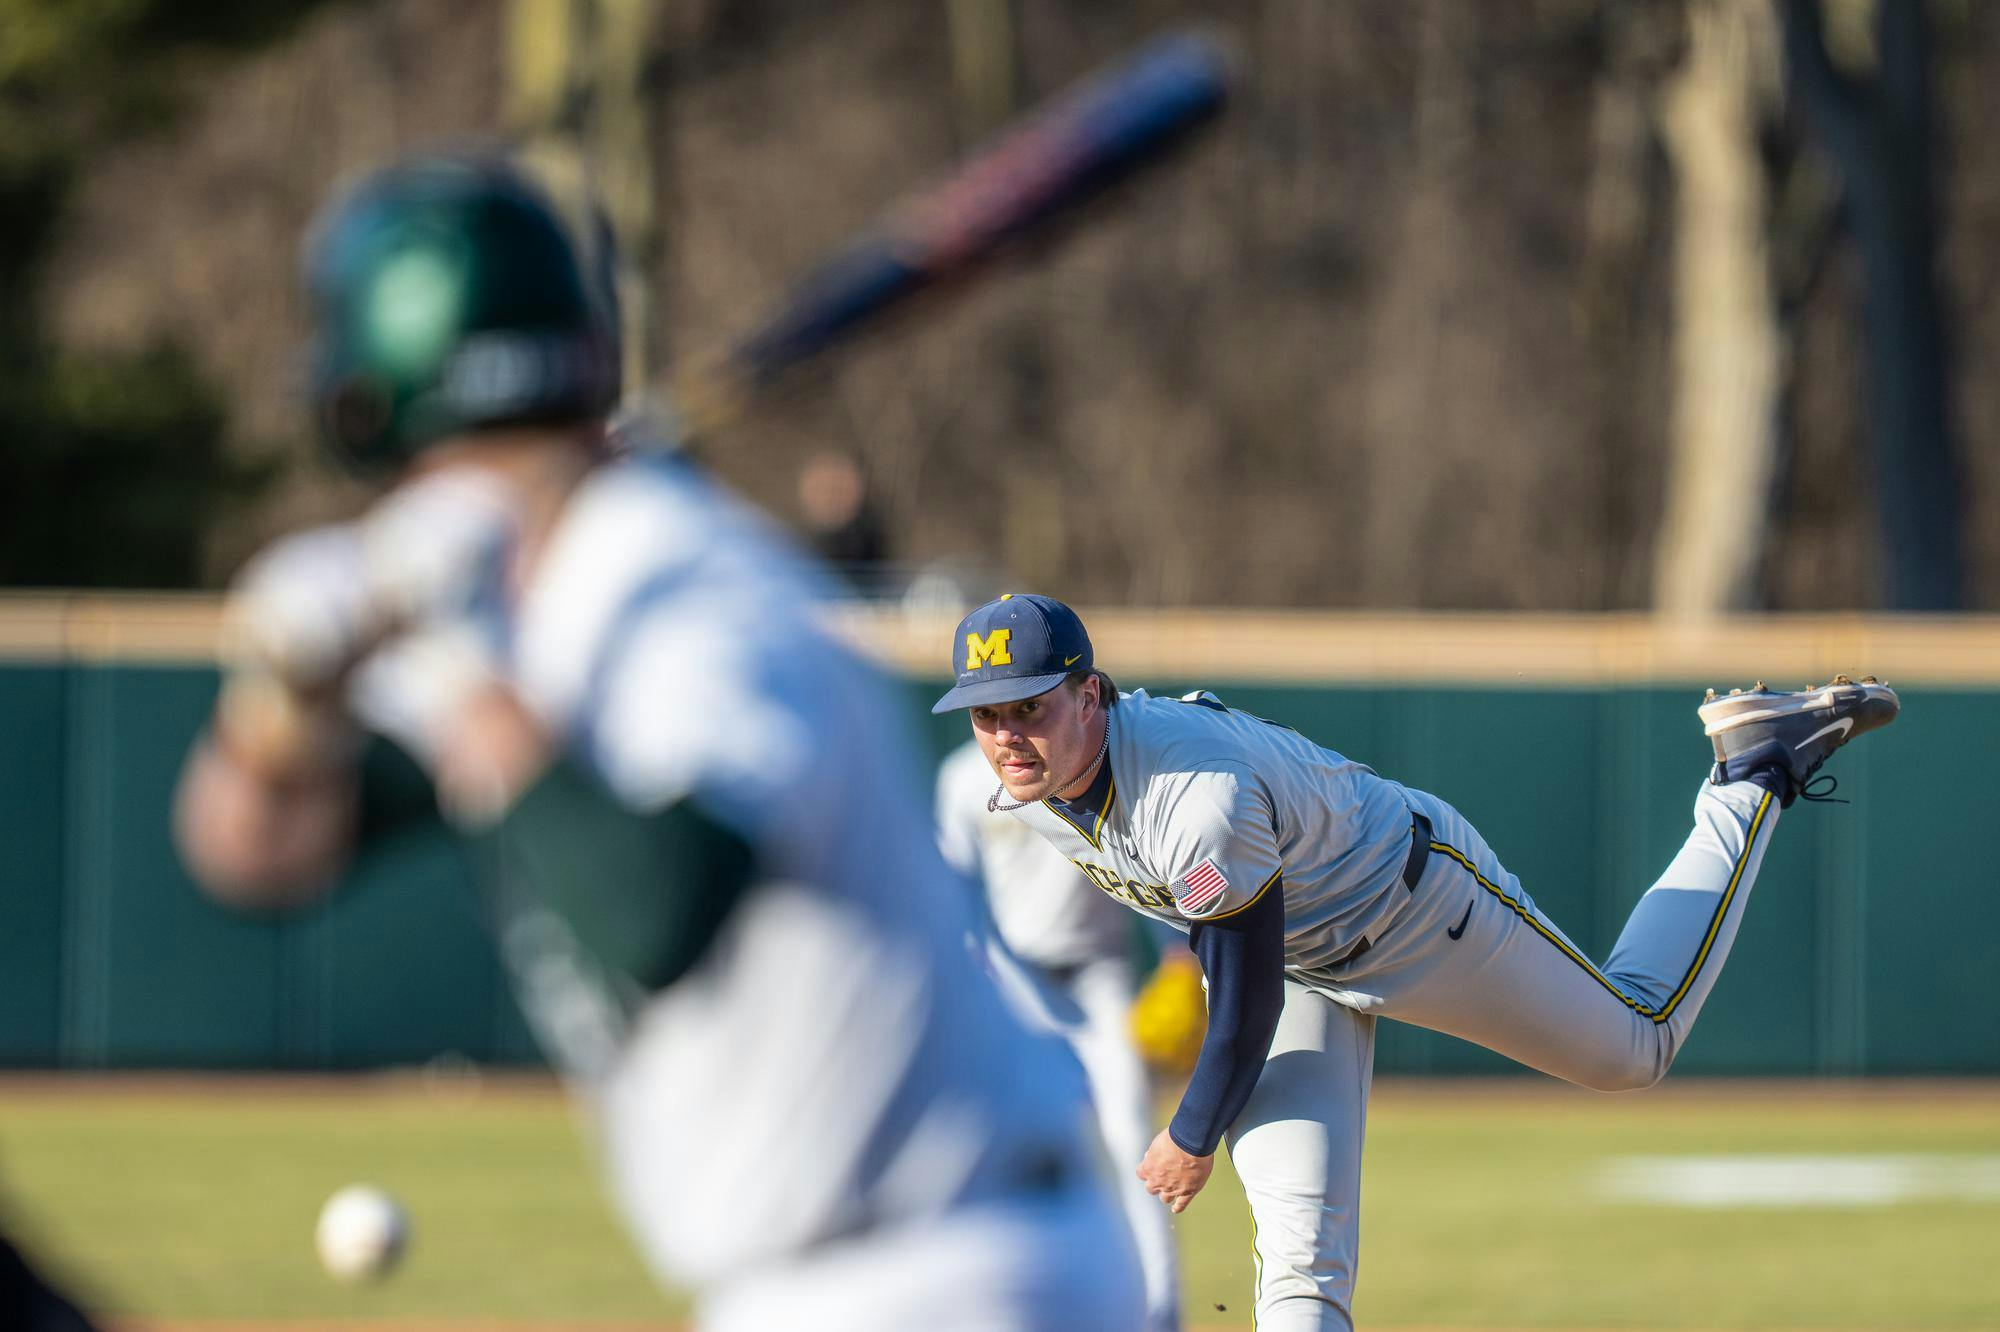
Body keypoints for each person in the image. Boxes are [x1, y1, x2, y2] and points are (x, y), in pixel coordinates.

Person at [172, 155, 1143, 1332]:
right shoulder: (511, 609)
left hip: (949, 1269)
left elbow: (657, 910)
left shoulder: (690, 592)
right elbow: (253, 859)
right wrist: (287, 705)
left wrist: (463, 674)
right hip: (832, 1282)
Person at [929, 592, 1900, 1331]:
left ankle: (1750, 773)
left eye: (1029, 705)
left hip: (1414, 908)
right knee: (1300, 1256)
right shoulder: (1038, 790)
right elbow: (1216, 926)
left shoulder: (1192, 794)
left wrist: (1189, 1133)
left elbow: (1247, 991)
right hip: (1300, 952)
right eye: (985, 715)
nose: (1007, 735)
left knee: (1634, 1043)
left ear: (1088, 694)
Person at [936, 739, 1182, 1332]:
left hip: (1099, 978)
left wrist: (1179, 954)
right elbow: (952, 891)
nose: (1006, 724)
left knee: (1132, 1146)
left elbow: (1144, 861)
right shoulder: (963, 780)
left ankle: (1159, 1314)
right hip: (1014, 985)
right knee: (993, 1150)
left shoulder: (1090, 764)